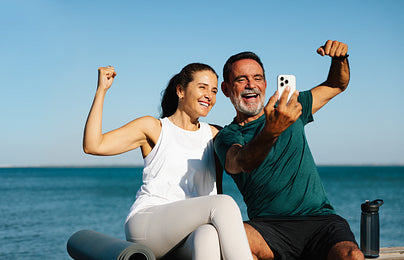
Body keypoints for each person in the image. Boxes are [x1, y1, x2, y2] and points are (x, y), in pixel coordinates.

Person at [83, 63, 253, 259]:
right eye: (202, 87)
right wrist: (101, 91)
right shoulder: (154, 128)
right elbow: (93, 145)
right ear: (181, 91)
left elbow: (219, 187)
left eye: (214, 90)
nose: (209, 95)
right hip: (148, 223)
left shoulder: (215, 135)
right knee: (223, 204)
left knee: (208, 236)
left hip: (190, 232)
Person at [215, 40, 364, 260]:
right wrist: (272, 130)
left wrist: (340, 58)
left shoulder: (291, 108)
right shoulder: (228, 135)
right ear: (226, 89)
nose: (251, 84)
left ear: (266, 84)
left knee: (351, 255)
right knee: (236, 239)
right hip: (268, 228)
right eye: (241, 79)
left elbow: (336, 84)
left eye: (257, 78)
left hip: (319, 220)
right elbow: (241, 161)